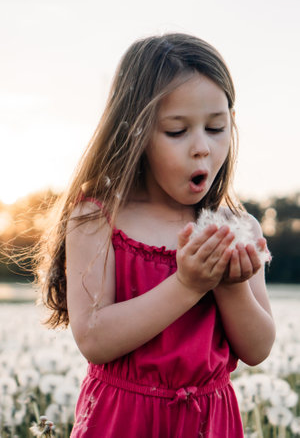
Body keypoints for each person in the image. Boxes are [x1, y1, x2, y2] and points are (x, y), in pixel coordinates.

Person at [36, 33, 276, 437]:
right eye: (177, 132)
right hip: (122, 422)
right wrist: (188, 284)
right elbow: (94, 339)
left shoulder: (236, 228)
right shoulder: (97, 219)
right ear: (135, 133)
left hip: (208, 424)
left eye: (216, 127)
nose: (201, 148)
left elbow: (257, 349)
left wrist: (231, 286)